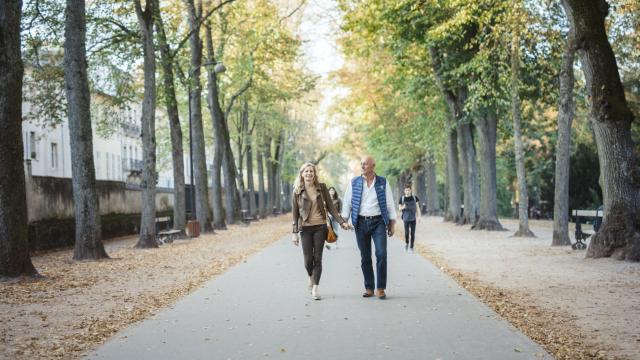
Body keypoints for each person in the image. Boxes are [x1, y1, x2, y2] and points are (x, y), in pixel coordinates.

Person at [341, 156, 397, 299]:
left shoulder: (383, 182)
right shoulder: (354, 182)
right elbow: (347, 202)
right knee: (365, 257)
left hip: (378, 222)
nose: (362, 166)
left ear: (373, 165)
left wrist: (392, 223)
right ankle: (369, 287)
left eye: (365, 164)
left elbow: (389, 203)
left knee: (381, 254)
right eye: (361, 164)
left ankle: (380, 288)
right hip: (360, 222)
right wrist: (344, 220)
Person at [292, 163, 348, 300]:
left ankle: (315, 288)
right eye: (306, 171)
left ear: (314, 174)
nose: (309, 174)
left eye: (311, 171)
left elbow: (331, 208)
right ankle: (311, 277)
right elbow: (295, 214)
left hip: (320, 227)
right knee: (308, 260)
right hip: (305, 228)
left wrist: (342, 222)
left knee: (318, 258)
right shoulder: (297, 191)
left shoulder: (322, 188)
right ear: (302, 174)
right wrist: (294, 233)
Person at [399, 185, 421, 253]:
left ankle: (411, 247)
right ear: (404, 191)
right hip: (405, 218)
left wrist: (419, 216)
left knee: (412, 233)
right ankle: (407, 243)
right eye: (406, 190)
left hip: (413, 218)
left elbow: (417, 207)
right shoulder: (402, 198)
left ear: (411, 190)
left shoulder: (415, 198)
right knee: (406, 233)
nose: (407, 191)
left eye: (408, 190)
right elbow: (399, 209)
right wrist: (404, 207)